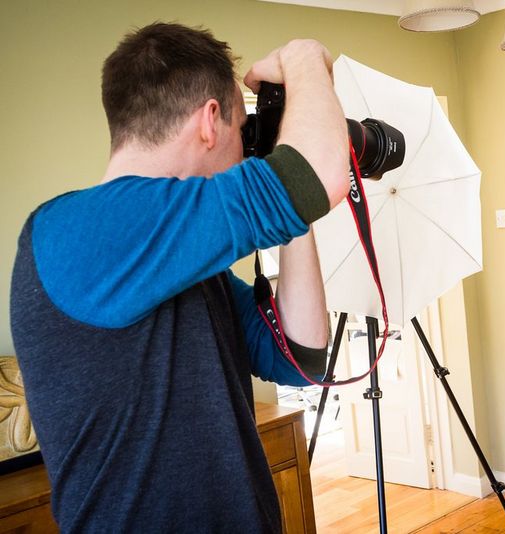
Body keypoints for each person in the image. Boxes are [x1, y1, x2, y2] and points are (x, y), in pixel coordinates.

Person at [10, 22, 350, 532]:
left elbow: (299, 357)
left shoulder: (176, 261)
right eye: (242, 130)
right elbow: (316, 176)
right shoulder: (77, 229)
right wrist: (304, 55)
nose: (244, 149)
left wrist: (285, 190)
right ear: (210, 122)